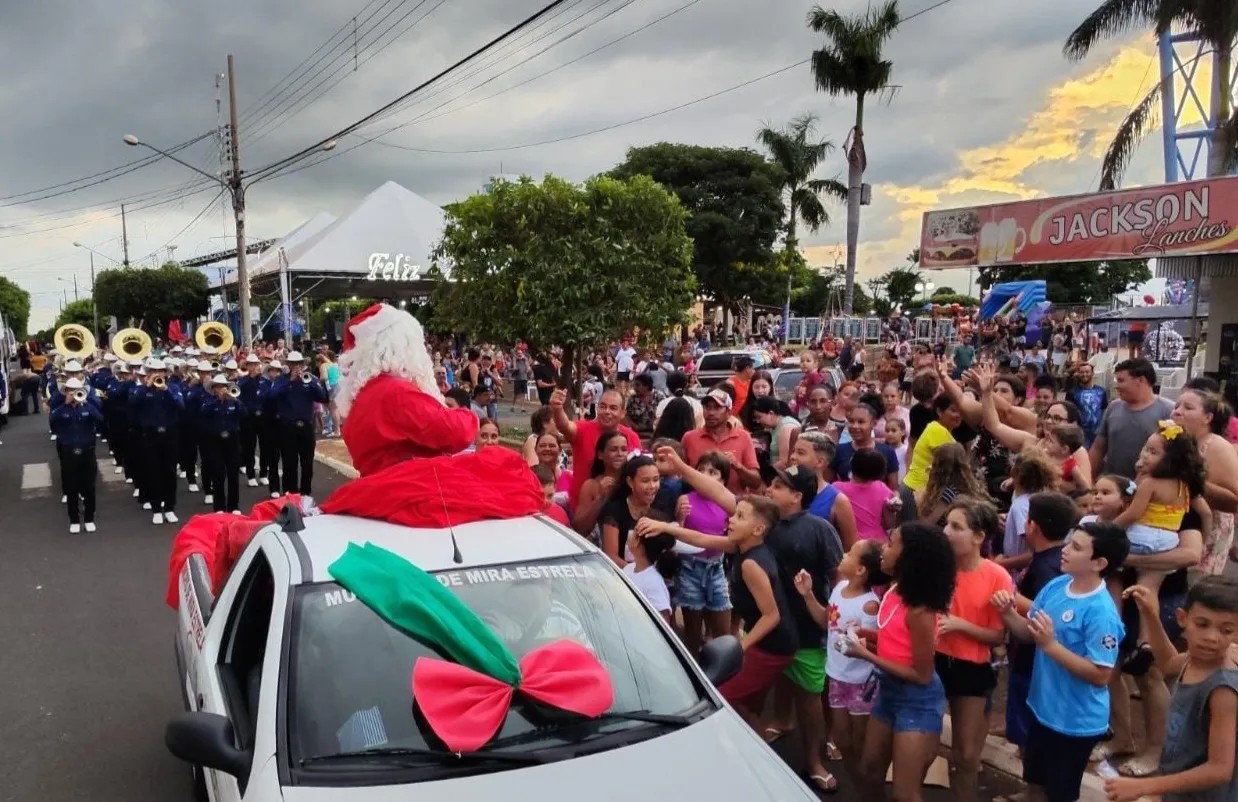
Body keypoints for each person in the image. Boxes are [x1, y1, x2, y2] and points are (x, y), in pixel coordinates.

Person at [992, 520, 1129, 802]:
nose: (1065, 550)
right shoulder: (1058, 585)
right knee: (1034, 774)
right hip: (1042, 707)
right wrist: (1007, 614)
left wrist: (1051, 646)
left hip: (1074, 722)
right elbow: (1030, 633)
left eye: (1076, 547)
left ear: (1099, 562)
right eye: (1069, 542)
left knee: (1061, 791)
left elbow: (1101, 674)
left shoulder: (1101, 613)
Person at [850, 523, 957, 802]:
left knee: (904, 794)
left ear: (909, 557)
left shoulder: (921, 610)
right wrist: (868, 637)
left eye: (891, 544)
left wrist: (866, 655)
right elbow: (897, 644)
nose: (883, 549)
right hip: (889, 691)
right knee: (870, 771)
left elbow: (921, 675)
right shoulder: (895, 591)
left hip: (917, 701)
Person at [1107, 577, 1238, 802]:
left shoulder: (1222, 690)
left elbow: (1220, 768)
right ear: (1182, 618)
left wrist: (1145, 787)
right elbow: (1168, 663)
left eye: (1226, 630)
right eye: (1202, 624)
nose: (1211, 638)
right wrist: (1150, 614)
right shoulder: (1193, 658)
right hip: (1178, 788)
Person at [334, 304, 479, 476]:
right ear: (404, 347)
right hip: (408, 489)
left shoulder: (364, 396)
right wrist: (469, 415)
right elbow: (453, 432)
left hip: (376, 488)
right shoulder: (395, 392)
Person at [936, 498, 1014, 802]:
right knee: (923, 747)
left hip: (971, 669)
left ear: (979, 537)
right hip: (931, 663)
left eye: (956, 527)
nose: (946, 532)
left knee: (966, 756)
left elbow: (997, 636)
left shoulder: (996, 576)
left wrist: (960, 626)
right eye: (947, 524)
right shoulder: (938, 567)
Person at [793, 539, 888, 786]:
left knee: (859, 738)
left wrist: (857, 641)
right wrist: (808, 595)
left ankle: (867, 786)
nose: (843, 554)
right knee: (843, 737)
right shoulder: (840, 586)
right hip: (836, 676)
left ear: (860, 570)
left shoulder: (869, 604)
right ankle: (859, 782)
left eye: (850, 553)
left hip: (860, 683)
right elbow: (826, 621)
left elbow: (870, 644)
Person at [1003, 492, 1076, 755]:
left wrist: (1011, 596)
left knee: (1028, 725)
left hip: (1033, 657)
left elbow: (1046, 611)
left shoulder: (1047, 567)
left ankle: (1030, 785)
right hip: (1039, 656)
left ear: (1032, 526)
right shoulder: (1055, 557)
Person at [1112, 421, 1207, 596]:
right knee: (1146, 593)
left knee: (1110, 571)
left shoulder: (1152, 485)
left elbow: (1133, 513)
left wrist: (1107, 532)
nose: (1145, 455)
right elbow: (1207, 514)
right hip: (1167, 542)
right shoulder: (1182, 487)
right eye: (1145, 449)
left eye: (1152, 452)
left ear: (1169, 460)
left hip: (1143, 541)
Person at [551, 386, 642, 511]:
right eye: (603, 406)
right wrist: (557, 409)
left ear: (622, 413)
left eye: (613, 408)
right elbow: (565, 426)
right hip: (581, 508)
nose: (607, 411)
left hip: (619, 510)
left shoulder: (632, 437)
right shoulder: (583, 429)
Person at [1090, 358, 1174, 480]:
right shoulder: (1113, 407)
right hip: (1112, 488)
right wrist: (1089, 479)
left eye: (1121, 380)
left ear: (1141, 380)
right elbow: (1098, 448)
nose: (1116, 386)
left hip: (1147, 488)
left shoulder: (1168, 411)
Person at [51, 378, 104, 534]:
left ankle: (89, 518)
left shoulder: (87, 407)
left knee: (89, 487)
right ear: (66, 392)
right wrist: (65, 404)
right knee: (71, 487)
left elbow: (100, 420)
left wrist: (86, 403)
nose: (73, 394)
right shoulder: (61, 409)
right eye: (70, 391)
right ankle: (74, 519)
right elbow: (53, 423)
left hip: (87, 450)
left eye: (76, 391)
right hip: (69, 451)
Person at [199, 374, 243, 514]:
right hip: (215, 440)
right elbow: (203, 412)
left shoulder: (233, 401)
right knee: (218, 473)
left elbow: (244, 413)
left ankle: (233, 506)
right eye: (219, 387)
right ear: (214, 389)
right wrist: (217, 400)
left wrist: (235, 401)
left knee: (233, 474)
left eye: (224, 386)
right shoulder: (208, 401)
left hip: (232, 439)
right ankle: (219, 506)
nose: (222, 389)